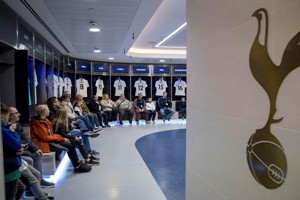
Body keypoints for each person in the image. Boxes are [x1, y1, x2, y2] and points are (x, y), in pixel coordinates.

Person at [30, 104, 91, 173]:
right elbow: (45, 138)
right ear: (44, 112)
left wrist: (61, 138)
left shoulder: (45, 120)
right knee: (70, 145)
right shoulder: (38, 123)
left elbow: (50, 134)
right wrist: (61, 138)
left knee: (72, 144)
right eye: (47, 109)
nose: (49, 111)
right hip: (43, 143)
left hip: (50, 140)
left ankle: (78, 163)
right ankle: (77, 165)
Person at [9, 106, 55, 188]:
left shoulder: (17, 125)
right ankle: (36, 182)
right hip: (14, 151)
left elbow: (27, 138)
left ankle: (38, 181)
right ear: (9, 115)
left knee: (37, 153)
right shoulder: (6, 128)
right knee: (32, 157)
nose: (19, 114)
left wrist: (36, 148)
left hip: (21, 147)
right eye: (16, 113)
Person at [1, 103, 25, 200]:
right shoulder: (5, 131)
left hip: (11, 164)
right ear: (2, 116)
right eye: (7, 115)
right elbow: (17, 144)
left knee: (20, 188)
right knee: (11, 194)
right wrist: (12, 131)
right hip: (10, 166)